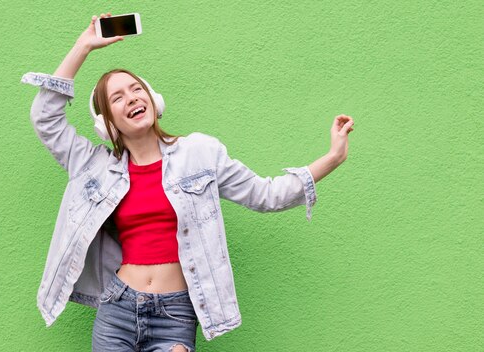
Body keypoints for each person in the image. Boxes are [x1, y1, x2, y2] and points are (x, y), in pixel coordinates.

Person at [21, 13, 354, 352]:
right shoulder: (96, 166)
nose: (132, 98)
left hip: (175, 313)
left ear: (153, 100)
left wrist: (332, 158)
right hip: (117, 308)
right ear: (107, 124)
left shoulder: (200, 152)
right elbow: (45, 118)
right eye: (118, 98)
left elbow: (265, 195)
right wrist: (84, 46)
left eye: (137, 89)